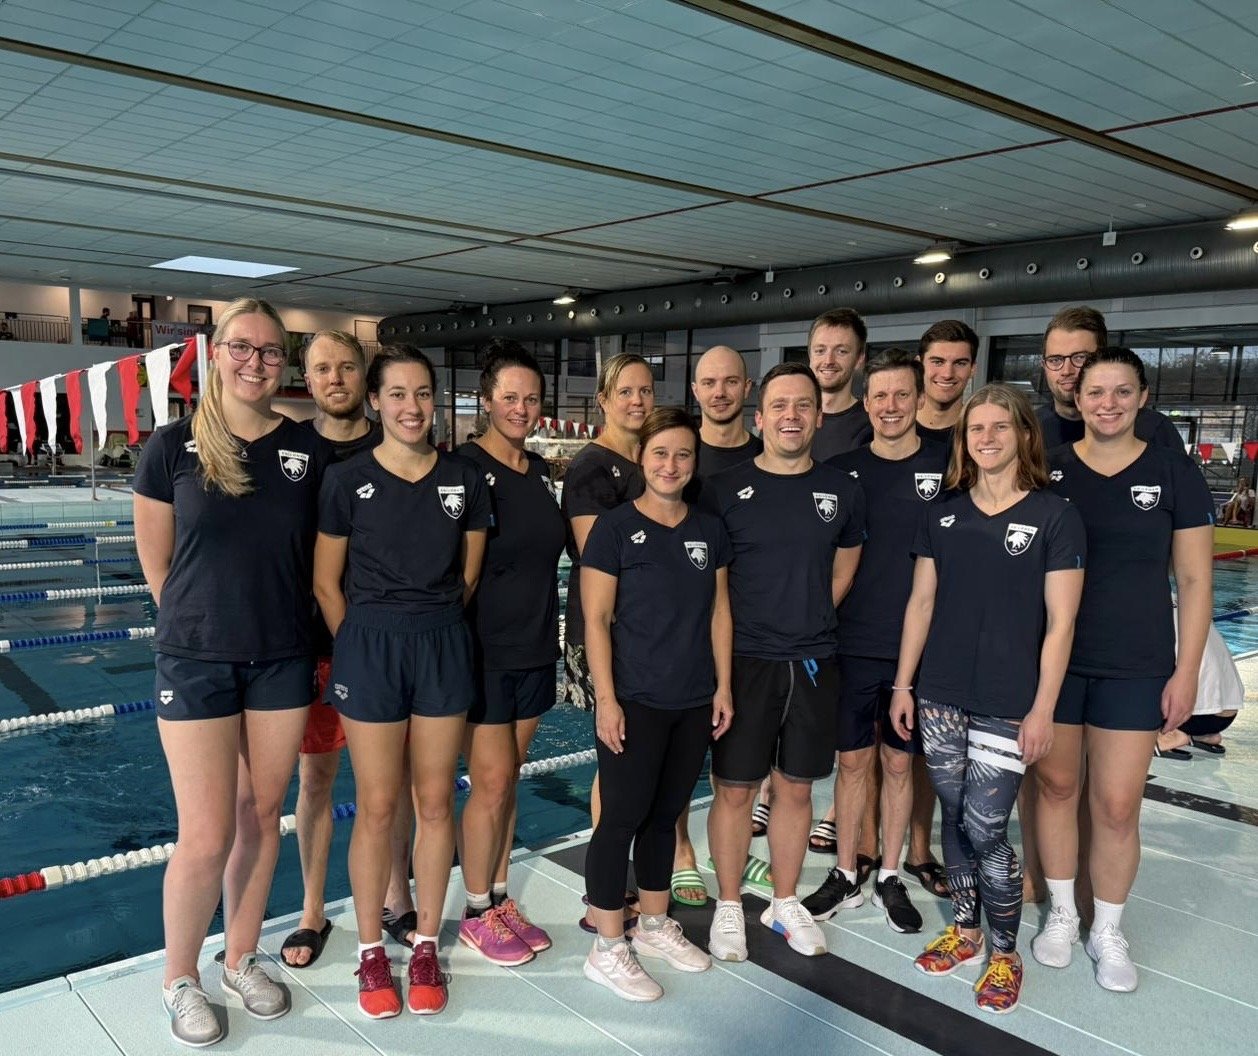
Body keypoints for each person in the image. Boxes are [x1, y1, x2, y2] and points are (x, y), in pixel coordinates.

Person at [133, 297, 330, 1048]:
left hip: (280, 656)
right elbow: (157, 562)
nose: (256, 361)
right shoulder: (172, 445)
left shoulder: (307, 450)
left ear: (284, 362)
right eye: (242, 348)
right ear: (215, 353)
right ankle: (178, 977)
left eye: (271, 351)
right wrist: (198, 624)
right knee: (208, 832)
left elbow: (317, 554)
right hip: (197, 659)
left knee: (261, 816)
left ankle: (240, 956)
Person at [890, 383, 1085, 1015]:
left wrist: (1042, 708)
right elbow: (921, 603)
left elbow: (1061, 625)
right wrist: (904, 684)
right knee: (952, 815)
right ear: (964, 440)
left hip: (1008, 699)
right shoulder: (943, 513)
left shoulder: (1055, 516)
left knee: (985, 824)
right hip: (942, 693)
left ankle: (1005, 951)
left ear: (1025, 435)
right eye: (978, 429)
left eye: (1002, 427)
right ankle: (967, 930)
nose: (989, 438)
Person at [314, 346, 489, 1019]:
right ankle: (368, 953)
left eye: (422, 394)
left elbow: (468, 575)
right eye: (397, 394)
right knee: (380, 806)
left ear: (435, 402)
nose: (411, 407)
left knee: (437, 800)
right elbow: (327, 582)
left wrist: (429, 623)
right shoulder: (346, 479)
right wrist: (361, 641)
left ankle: (422, 943)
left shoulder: (463, 479)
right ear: (377, 402)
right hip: (370, 648)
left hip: (441, 642)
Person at [1034, 347, 1213, 993]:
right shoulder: (1048, 471)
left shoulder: (1172, 471)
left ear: (1142, 398)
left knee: (1116, 805)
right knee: (1055, 790)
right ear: (1075, 400)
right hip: (1055, 663)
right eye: (1094, 392)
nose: (1106, 403)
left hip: (1136, 664)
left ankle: (1107, 927)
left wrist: (1186, 671)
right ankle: (1060, 912)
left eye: (1121, 391)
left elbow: (1194, 580)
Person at [703, 362, 865, 961]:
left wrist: (810, 614)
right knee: (735, 790)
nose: (791, 416)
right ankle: (727, 905)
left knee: (797, 790)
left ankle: (785, 899)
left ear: (819, 418)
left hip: (814, 660)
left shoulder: (842, 490)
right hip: (746, 660)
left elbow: (845, 566)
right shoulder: (723, 491)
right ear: (760, 415)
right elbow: (713, 587)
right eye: (780, 406)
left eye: (803, 406)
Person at [580, 407, 734, 1000]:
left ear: (695, 463)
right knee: (621, 817)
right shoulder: (615, 529)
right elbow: (595, 619)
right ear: (642, 459)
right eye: (661, 453)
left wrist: (722, 686)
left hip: (693, 696)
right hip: (636, 697)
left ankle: (650, 923)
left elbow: (721, 610)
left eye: (683, 455)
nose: (671, 465)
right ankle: (607, 946)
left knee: (666, 816)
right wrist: (606, 700)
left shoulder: (708, 529)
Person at [802, 348, 947, 933]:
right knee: (853, 760)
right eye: (880, 396)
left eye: (901, 395)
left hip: (921, 646)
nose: (890, 406)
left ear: (918, 400)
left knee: (899, 762)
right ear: (866, 402)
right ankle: (845, 871)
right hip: (852, 641)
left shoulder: (948, 466)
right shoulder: (843, 472)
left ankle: (889, 873)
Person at [456, 342, 566, 965]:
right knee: (492, 782)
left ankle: (498, 896)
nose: (521, 408)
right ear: (486, 398)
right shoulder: (464, 468)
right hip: (483, 650)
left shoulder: (536, 473)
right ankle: (475, 911)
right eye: (510, 397)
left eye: (531, 398)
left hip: (533, 647)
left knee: (510, 779)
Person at [278, 331, 382, 969]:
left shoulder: (396, 443)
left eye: (347, 366)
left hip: (384, 645)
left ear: (364, 375)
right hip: (310, 644)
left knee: (385, 784)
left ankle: (395, 899)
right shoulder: (289, 450)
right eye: (323, 368)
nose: (335, 378)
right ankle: (313, 910)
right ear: (307, 379)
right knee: (315, 780)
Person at [559, 352, 655, 931]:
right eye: (626, 392)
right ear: (603, 399)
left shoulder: (647, 457)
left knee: (631, 761)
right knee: (615, 759)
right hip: (610, 631)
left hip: (649, 633)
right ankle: (605, 895)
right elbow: (603, 559)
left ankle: (620, 881)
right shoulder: (593, 468)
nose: (637, 401)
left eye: (646, 391)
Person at [668, 344, 764, 906]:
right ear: (696, 391)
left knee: (739, 754)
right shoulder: (681, 456)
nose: (720, 392)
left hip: (748, 629)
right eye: (709, 382)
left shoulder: (764, 453)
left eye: (731, 382)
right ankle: (681, 849)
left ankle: (731, 846)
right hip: (685, 630)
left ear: (746, 389)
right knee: (682, 752)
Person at [1036, 306, 1184, 450]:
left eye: (1080, 357)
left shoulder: (1154, 429)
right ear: (1044, 365)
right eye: (1055, 360)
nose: (1066, 370)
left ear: (1102, 357)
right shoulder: (1026, 429)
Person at [808, 308, 873, 461]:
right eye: (820, 350)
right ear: (810, 355)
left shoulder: (873, 424)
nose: (829, 361)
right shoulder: (787, 420)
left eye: (841, 351)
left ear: (859, 359)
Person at [914, 319, 977, 446]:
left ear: (973, 369)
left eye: (960, 363)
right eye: (937, 362)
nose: (947, 374)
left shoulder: (981, 437)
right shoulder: (887, 429)